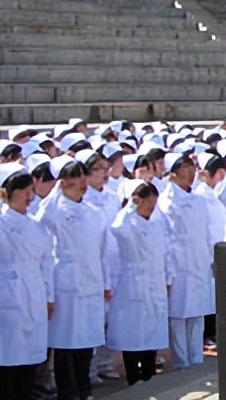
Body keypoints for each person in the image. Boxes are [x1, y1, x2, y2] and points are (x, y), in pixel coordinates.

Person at [36, 160, 110, 400]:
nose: (80, 182)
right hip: (65, 285)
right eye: (73, 177)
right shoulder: (54, 211)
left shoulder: (93, 212)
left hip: (91, 282)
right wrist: (56, 192)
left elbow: (103, 251)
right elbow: (41, 220)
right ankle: (67, 391)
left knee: (86, 340)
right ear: (63, 181)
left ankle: (84, 388)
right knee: (65, 342)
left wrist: (106, 283)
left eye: (82, 175)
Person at [106, 180, 169, 387]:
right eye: (147, 202)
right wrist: (129, 207)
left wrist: (168, 278)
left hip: (154, 283)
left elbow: (166, 252)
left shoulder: (156, 224)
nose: (151, 207)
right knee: (132, 334)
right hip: (132, 283)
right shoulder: (128, 223)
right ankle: (133, 378)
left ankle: (149, 375)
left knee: (152, 333)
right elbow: (117, 228)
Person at [157, 152, 216, 370]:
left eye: (192, 168)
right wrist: (168, 271)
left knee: (197, 313)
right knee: (179, 315)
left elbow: (206, 232)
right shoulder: (166, 202)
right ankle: (182, 361)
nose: (190, 174)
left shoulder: (199, 200)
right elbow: (166, 239)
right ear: (172, 174)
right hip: (178, 265)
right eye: (184, 169)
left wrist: (210, 258)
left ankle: (196, 357)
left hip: (199, 261)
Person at [0, 168, 55, 400]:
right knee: (8, 355)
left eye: (31, 190)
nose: (28, 195)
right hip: (7, 293)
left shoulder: (37, 226)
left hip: (34, 292)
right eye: (23, 190)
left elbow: (47, 263)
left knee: (30, 356)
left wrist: (49, 297)